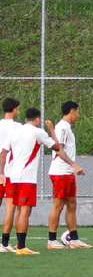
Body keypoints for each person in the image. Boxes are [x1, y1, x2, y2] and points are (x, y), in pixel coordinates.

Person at [0, 108, 82, 256]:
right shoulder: (37, 132)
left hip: (12, 176)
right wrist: (51, 130)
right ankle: (21, 247)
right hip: (26, 178)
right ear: (37, 119)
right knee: (25, 211)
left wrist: (2, 173)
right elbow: (57, 147)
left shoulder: (16, 131)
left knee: (18, 210)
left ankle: (17, 245)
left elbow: (4, 152)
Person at [47, 101, 92, 249]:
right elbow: (59, 151)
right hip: (60, 172)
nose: (78, 115)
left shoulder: (66, 128)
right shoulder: (62, 128)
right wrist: (74, 165)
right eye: (77, 112)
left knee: (72, 204)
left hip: (68, 173)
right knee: (58, 205)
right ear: (72, 111)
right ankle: (52, 240)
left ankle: (74, 239)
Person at [0, 98, 21, 252]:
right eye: (18, 109)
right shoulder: (18, 127)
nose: (19, 111)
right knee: (10, 208)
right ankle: (5, 243)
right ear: (14, 109)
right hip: (10, 172)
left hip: (2, 171)